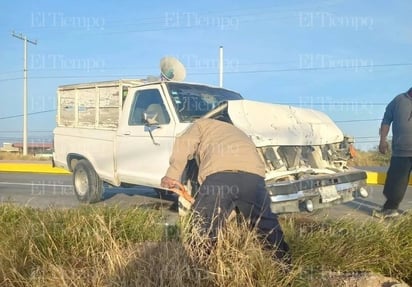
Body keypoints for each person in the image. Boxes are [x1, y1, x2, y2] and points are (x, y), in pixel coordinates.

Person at [160, 117, 290, 262]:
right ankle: (283, 267)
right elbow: (233, 200)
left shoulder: (202, 124)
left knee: (203, 226)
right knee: (267, 226)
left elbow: (184, 144)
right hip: (253, 178)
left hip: (220, 175)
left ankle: (197, 269)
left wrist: (171, 174)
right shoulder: (239, 132)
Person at [374, 87, 412, 219]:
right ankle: (390, 210)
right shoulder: (398, 100)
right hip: (401, 152)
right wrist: (382, 141)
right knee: (395, 183)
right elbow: (386, 120)